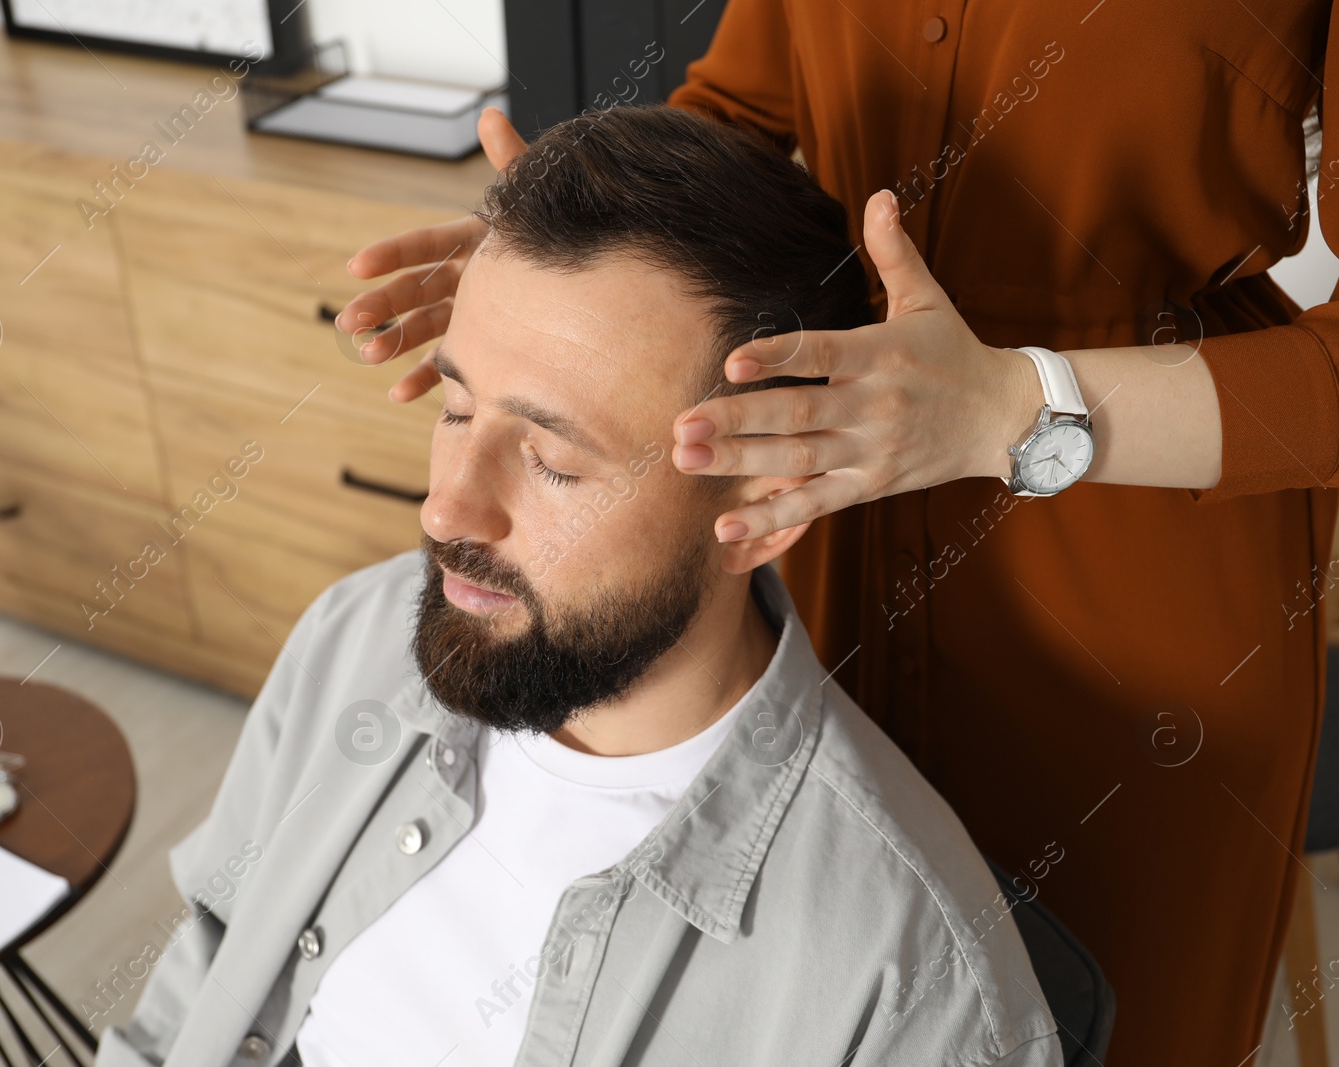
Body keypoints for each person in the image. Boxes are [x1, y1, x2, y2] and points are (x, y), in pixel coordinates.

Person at [336, 5, 1339, 1060]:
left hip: (1135, 544)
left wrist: (1016, 405)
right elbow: (739, 111)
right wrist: (575, 284)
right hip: (827, 465)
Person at [94, 106, 1064, 1067]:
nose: (446, 512)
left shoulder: (912, 989)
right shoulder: (352, 634)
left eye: (552, 461)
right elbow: (215, 957)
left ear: (767, 502)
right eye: (456, 407)